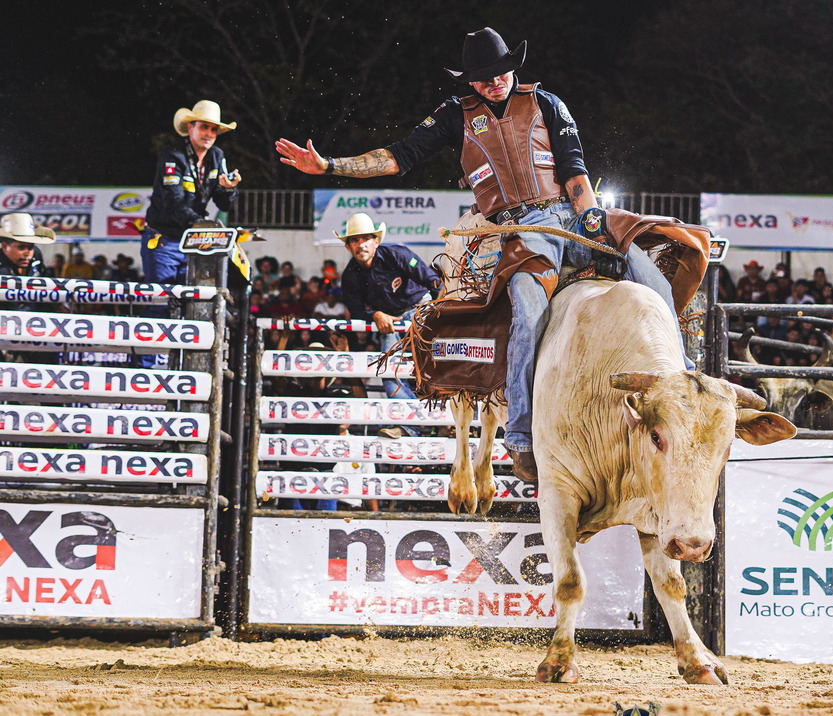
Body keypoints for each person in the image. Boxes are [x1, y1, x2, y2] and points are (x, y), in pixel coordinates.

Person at [275, 27, 686, 483]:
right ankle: (521, 433)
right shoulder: (455, 115)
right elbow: (399, 156)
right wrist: (330, 166)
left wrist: (591, 220)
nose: (495, 81)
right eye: (484, 76)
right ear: (469, 80)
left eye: (501, 71)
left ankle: (684, 380)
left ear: (513, 67)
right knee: (527, 310)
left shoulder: (546, 102)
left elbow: (574, 168)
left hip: (572, 213)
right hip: (521, 228)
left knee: (653, 277)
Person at [337, 212, 441, 400]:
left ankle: (441, 414)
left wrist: (441, 311)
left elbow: (431, 280)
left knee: (436, 360)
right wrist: (375, 315)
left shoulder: (396, 254)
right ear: (348, 246)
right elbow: (356, 311)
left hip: (420, 307)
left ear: (376, 241)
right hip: (389, 319)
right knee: (388, 370)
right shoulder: (350, 276)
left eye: (366, 239)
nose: (361, 244)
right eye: (355, 240)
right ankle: (410, 417)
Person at [142, 100, 241, 291]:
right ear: (190, 127)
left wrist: (229, 189)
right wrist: (203, 226)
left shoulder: (217, 156)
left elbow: (224, 204)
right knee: (161, 300)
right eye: (204, 127)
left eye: (214, 129)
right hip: (164, 240)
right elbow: (173, 203)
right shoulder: (172, 155)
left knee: (194, 300)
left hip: (195, 241)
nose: (209, 134)